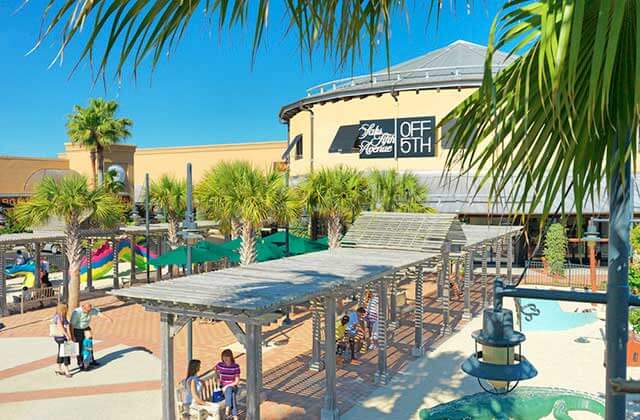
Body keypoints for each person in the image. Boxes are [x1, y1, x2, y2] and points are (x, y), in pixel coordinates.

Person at [70, 303, 112, 369]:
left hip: (86, 328)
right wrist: (72, 336)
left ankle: (90, 360)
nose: (89, 312)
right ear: (83, 308)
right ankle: (80, 363)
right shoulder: (77, 313)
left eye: (90, 311)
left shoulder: (91, 310)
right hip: (77, 330)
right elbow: (71, 325)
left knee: (89, 345)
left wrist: (107, 318)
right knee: (79, 347)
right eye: (87, 311)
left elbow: (98, 313)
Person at [215, 349, 240, 420]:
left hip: (233, 386)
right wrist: (217, 378)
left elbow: (237, 381)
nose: (225, 358)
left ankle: (227, 409)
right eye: (223, 356)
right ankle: (235, 416)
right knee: (232, 395)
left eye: (227, 356)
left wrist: (226, 386)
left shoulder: (235, 366)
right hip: (223, 388)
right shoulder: (220, 365)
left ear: (231, 357)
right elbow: (215, 369)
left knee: (229, 390)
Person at [51, 303, 72, 378]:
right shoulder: (58, 317)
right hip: (61, 337)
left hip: (61, 337)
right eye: (66, 308)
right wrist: (67, 335)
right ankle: (66, 370)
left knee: (61, 352)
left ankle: (58, 368)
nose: (67, 309)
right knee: (66, 352)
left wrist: (69, 335)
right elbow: (60, 327)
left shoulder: (63, 316)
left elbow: (67, 326)